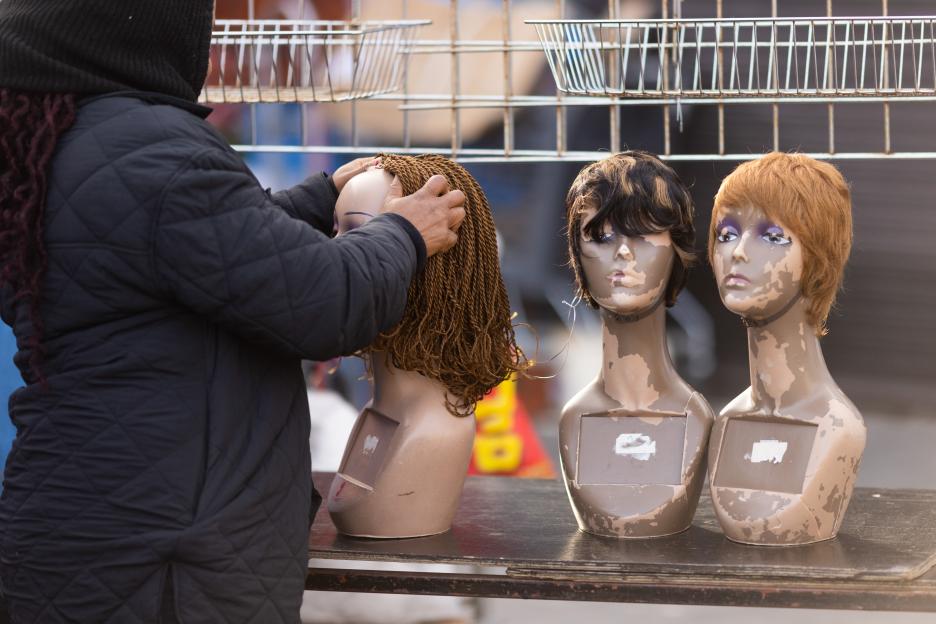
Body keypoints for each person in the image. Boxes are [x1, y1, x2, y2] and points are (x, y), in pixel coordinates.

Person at [0, 1, 465, 621]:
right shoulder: (154, 151)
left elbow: (192, 250)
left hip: (100, 525)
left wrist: (316, 201)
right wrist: (401, 234)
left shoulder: (65, 138)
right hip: (162, 559)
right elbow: (324, 303)